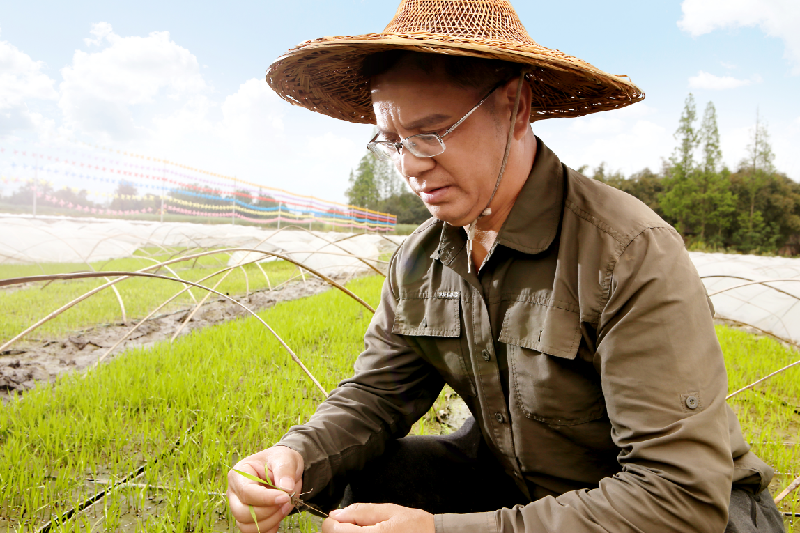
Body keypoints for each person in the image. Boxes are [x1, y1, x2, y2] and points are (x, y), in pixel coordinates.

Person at [227, 1, 786, 532]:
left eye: (432, 131)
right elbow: (376, 395)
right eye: (393, 141)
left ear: (516, 107)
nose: (412, 166)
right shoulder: (422, 260)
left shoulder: (627, 252)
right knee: (370, 483)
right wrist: (298, 454)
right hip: (520, 489)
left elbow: (679, 496)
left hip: (667, 512)